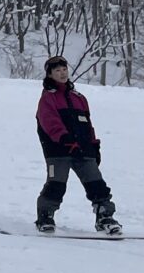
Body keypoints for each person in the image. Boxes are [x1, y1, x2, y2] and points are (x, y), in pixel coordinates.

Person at [35, 56, 121, 234]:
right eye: (57, 71)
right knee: (56, 185)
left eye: (64, 69)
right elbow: (49, 122)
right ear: (50, 74)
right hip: (58, 150)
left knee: (97, 184)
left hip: (83, 149)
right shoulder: (48, 98)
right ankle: (45, 216)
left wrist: (94, 145)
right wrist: (64, 138)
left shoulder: (79, 98)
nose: (62, 73)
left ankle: (104, 217)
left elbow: (87, 125)